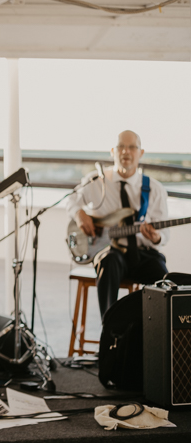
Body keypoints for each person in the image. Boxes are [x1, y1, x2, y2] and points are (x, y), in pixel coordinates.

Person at [66, 130, 169, 316]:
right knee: (108, 260)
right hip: (111, 254)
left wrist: (156, 237)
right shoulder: (97, 180)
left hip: (142, 255)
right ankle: (109, 332)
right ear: (113, 151)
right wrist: (80, 214)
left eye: (132, 147)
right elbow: (71, 200)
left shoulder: (154, 188)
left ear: (141, 152)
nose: (126, 152)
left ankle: (156, 332)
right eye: (121, 146)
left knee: (163, 276)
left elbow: (165, 236)